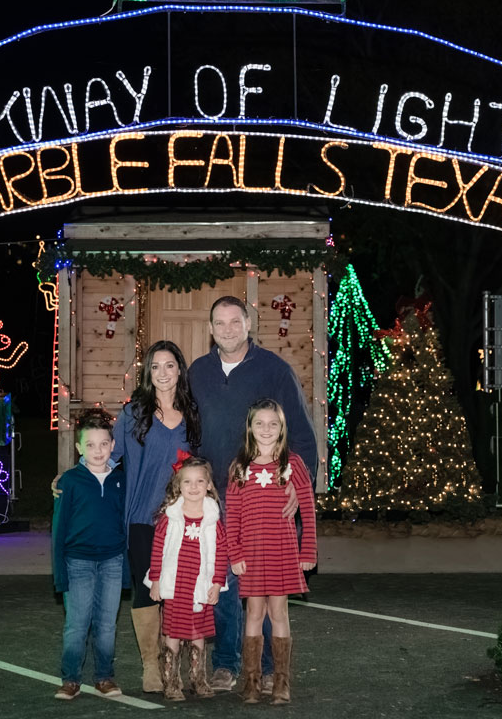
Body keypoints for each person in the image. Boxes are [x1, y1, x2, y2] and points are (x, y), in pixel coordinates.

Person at [188, 296, 318, 691]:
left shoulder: (275, 370)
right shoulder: (198, 372)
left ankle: (266, 669)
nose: (228, 329)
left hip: (264, 498)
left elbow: (301, 433)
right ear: (210, 329)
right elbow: (188, 431)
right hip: (215, 497)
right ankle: (227, 663)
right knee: (224, 585)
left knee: (262, 586)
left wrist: (299, 483)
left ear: (248, 324)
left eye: (235, 321)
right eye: (220, 323)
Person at [111, 340, 202, 693]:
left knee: (179, 594)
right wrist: (75, 477)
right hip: (141, 519)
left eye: (169, 365)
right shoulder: (133, 413)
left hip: (180, 520)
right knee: (148, 590)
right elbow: (108, 456)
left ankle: (172, 664)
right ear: (148, 373)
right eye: (155, 367)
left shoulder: (193, 415)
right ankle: (151, 665)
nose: (162, 373)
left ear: (180, 369)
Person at [226, 399, 317, 704]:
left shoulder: (293, 465)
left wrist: (308, 552)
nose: (266, 429)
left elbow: (308, 508)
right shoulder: (239, 468)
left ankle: (281, 682)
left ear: (282, 429)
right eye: (259, 423)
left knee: (278, 613)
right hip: (251, 555)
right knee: (253, 612)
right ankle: (251, 681)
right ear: (250, 428)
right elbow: (233, 516)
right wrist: (235, 554)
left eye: (273, 424)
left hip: (282, 552)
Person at [51, 409, 126, 701]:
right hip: (77, 562)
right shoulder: (69, 482)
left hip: (112, 562)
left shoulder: (121, 481)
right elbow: (58, 530)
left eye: (104, 444)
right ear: (79, 448)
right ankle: (70, 679)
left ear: (112, 445)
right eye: (90, 445)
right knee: (77, 624)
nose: (98, 451)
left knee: (107, 624)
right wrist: (60, 572)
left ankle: (104, 677)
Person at [147, 456, 227, 701]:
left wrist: (216, 582)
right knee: (172, 633)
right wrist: (156, 580)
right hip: (175, 585)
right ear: (178, 486)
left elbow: (221, 552)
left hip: (200, 586)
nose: (194, 487)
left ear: (209, 485)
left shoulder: (214, 520)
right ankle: (171, 682)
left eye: (200, 481)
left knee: (197, 632)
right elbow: (158, 550)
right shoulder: (169, 519)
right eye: (188, 482)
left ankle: (198, 679)